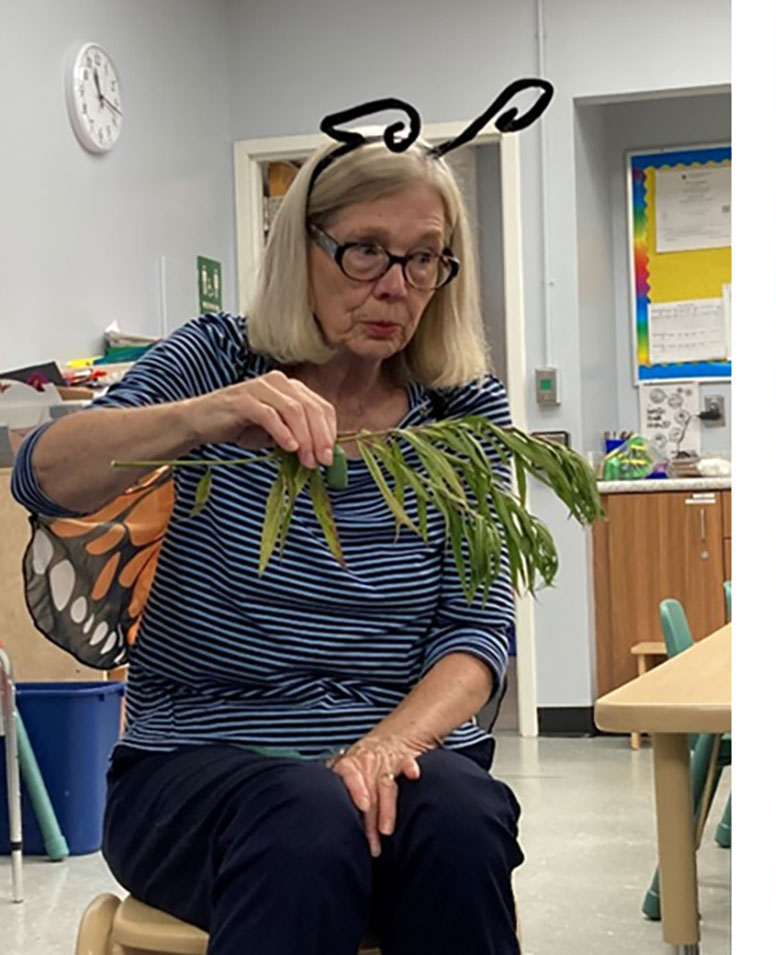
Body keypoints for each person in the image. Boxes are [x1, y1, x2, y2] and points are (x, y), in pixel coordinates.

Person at [9, 90, 547, 955]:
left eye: (424, 260)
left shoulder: (461, 414)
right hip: (196, 766)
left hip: (400, 761)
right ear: (301, 247)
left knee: (461, 814)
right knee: (305, 817)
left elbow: (479, 634)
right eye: (366, 251)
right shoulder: (217, 357)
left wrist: (383, 747)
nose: (394, 286)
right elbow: (44, 476)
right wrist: (205, 416)